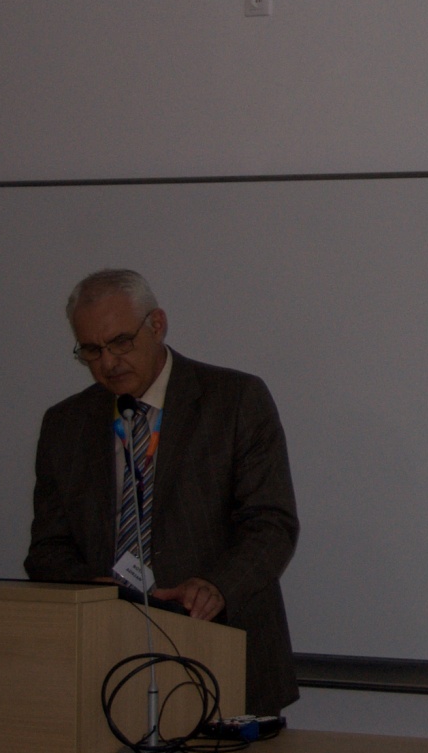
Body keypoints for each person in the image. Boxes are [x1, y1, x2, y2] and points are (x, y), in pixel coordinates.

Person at [25, 269, 301, 714]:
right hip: (106, 660)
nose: (108, 363)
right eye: (91, 351)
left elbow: (272, 524)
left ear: (157, 325)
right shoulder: (65, 424)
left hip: (221, 650)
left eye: (120, 342)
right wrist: (88, 589)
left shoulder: (234, 400)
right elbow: (46, 549)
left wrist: (217, 585)